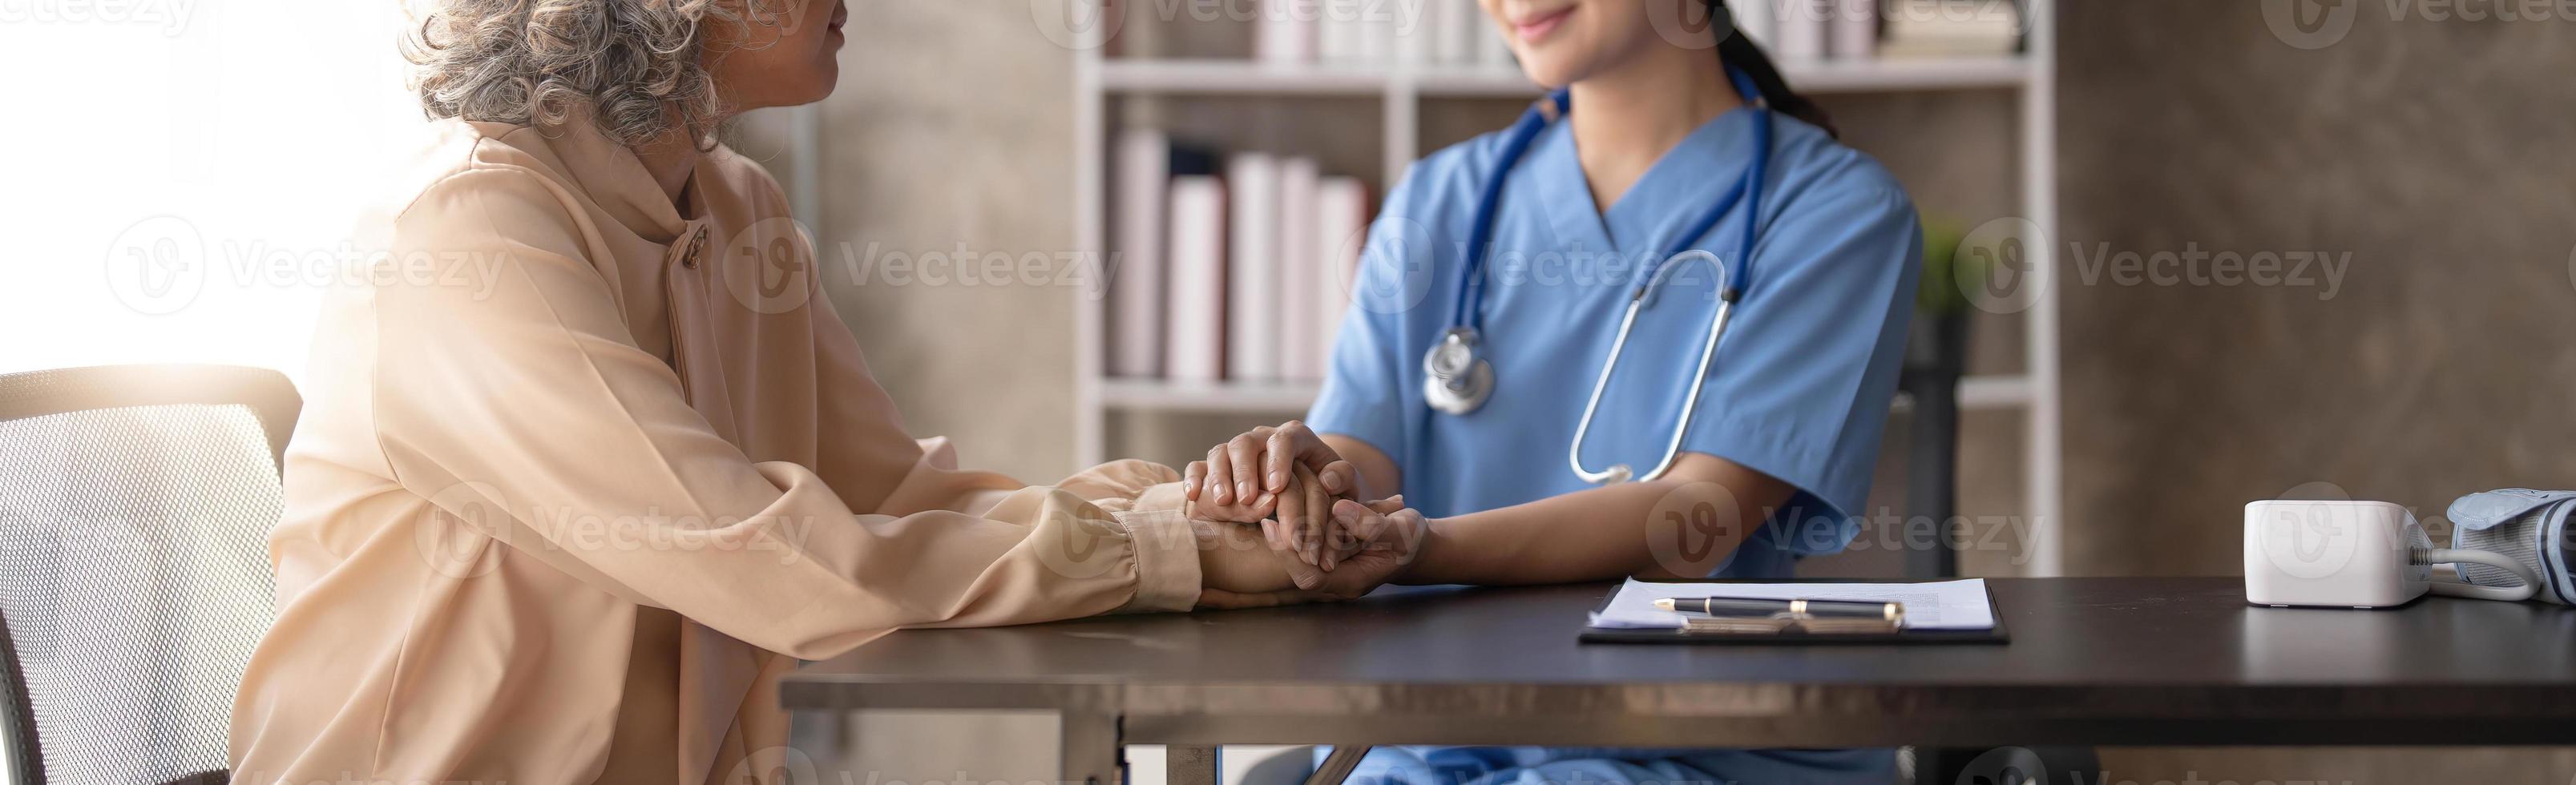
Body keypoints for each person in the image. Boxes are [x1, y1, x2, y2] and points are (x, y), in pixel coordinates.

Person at [227, 2, 1386, 783]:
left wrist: (1193, 513)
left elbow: (898, 498)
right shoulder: (473, 233)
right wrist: (1160, 552)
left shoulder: (737, 210)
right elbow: (756, 550)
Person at [1185, 0, 1924, 781]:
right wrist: (1304, 478)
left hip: (1691, 747)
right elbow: (1365, 453)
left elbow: (1698, 514)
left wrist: (1421, 547)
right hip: (1425, 740)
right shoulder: (1441, 198)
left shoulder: (1836, 211)